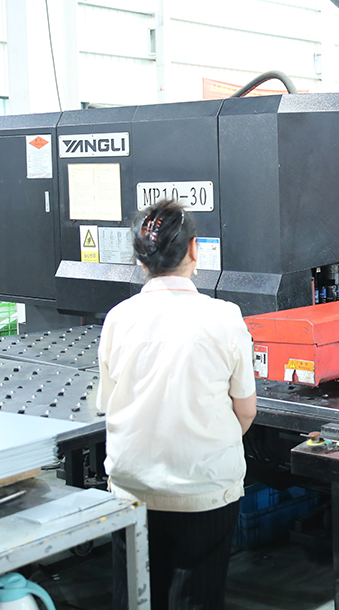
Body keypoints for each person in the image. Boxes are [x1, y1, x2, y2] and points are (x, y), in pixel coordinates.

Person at [97, 198, 257, 610]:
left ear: (141, 260)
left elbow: (109, 403)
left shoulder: (118, 317)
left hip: (131, 486)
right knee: (194, 597)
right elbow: (246, 410)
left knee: (133, 595)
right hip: (203, 489)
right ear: (193, 249)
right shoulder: (225, 317)